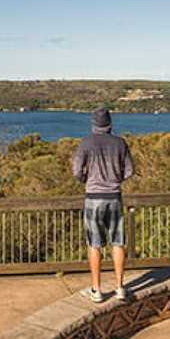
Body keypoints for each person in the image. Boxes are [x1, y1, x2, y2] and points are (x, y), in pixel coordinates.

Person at [71, 107, 135, 302]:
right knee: (118, 242)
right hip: (114, 197)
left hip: (93, 198)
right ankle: (120, 288)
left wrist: (86, 179)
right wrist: (115, 179)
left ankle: (96, 290)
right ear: (110, 124)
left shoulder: (86, 143)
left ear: (93, 124)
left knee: (94, 244)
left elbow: (76, 171)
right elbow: (130, 171)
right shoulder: (120, 143)